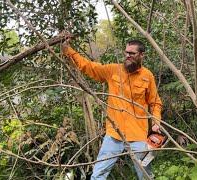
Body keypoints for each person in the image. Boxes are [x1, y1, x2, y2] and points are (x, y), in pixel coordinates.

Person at [61, 38, 162, 179]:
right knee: (98, 175)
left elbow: (155, 103)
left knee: (145, 176)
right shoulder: (113, 70)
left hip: (138, 135)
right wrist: (68, 51)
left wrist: (156, 122)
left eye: (132, 53)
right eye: (126, 52)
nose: (128, 55)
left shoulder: (147, 76)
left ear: (141, 55)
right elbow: (89, 67)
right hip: (114, 135)